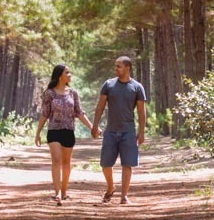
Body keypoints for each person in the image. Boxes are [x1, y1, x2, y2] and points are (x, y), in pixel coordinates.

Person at [90, 55, 147, 205]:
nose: (115, 69)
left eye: (118, 66)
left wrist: (142, 132)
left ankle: (124, 196)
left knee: (127, 164)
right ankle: (110, 187)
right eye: (115, 66)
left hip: (128, 131)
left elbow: (141, 112)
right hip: (110, 131)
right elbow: (100, 107)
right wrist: (94, 126)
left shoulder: (137, 87)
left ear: (127, 68)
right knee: (105, 164)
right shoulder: (108, 85)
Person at [34, 63, 93, 205]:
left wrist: (92, 127)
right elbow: (45, 114)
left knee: (66, 163)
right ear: (60, 76)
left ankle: (64, 191)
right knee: (56, 160)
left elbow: (79, 112)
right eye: (67, 72)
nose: (70, 75)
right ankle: (57, 192)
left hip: (68, 131)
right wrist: (38, 133)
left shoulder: (73, 93)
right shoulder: (49, 93)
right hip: (54, 131)